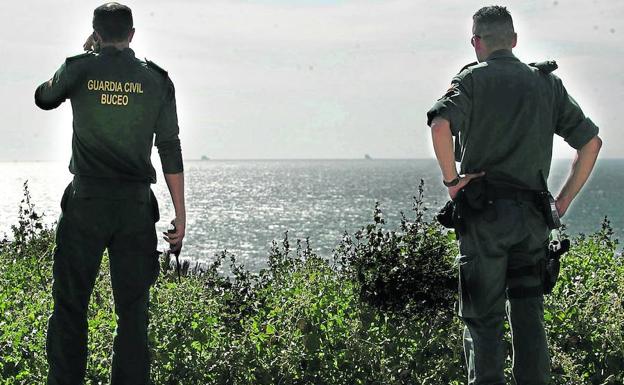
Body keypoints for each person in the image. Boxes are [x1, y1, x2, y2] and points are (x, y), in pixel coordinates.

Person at [426, 5, 601, 385]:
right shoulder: (546, 83)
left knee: (483, 319)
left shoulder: (471, 80)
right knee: (528, 318)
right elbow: (591, 143)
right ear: (514, 41)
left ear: (477, 42)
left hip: (484, 220)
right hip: (533, 220)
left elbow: (440, 125)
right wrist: (563, 201)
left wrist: (452, 183)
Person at [35, 3, 186, 384]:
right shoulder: (156, 81)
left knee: (70, 306)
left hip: (85, 204)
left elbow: (44, 97)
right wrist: (180, 214)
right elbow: (170, 147)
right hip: (135, 209)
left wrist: (88, 54)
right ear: (133, 34)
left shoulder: (79, 68)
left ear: (96, 34)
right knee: (133, 313)